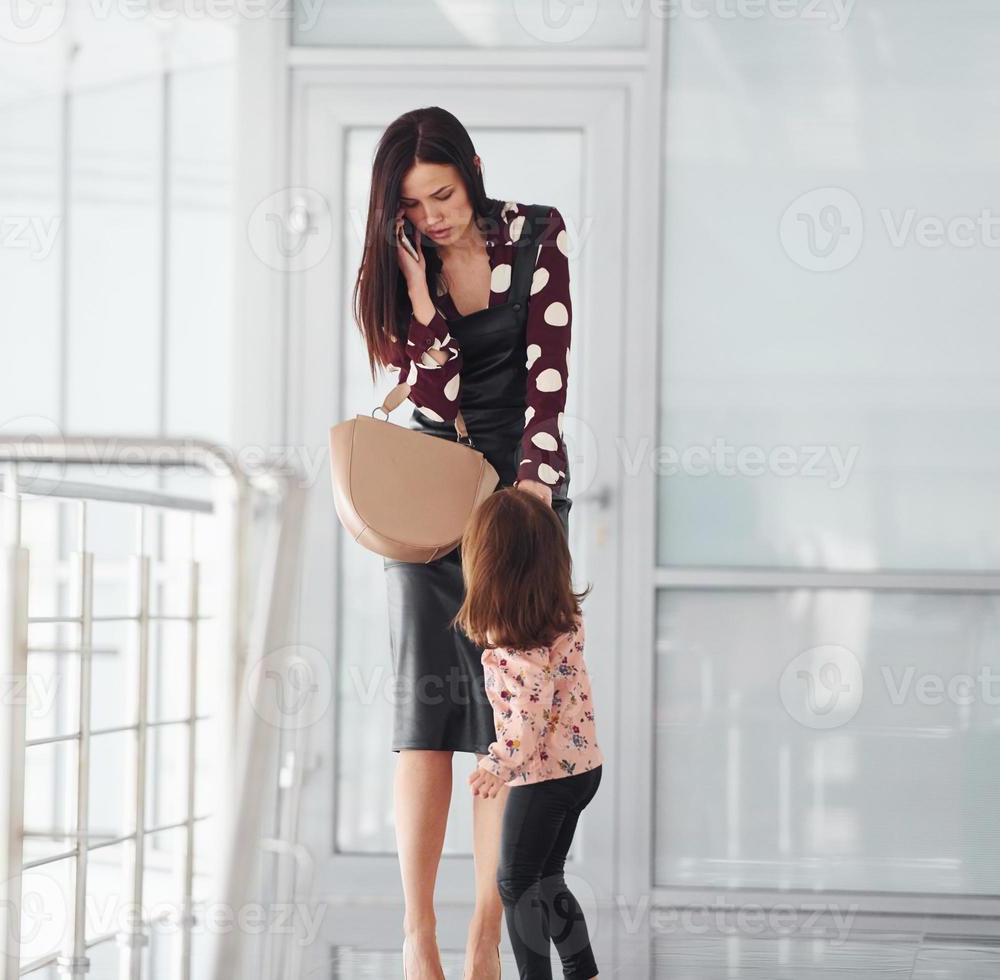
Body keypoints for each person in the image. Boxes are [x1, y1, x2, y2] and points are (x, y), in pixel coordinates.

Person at [350, 105, 576, 980]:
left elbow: (547, 387)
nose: (433, 216)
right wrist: (417, 295)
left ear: (473, 171)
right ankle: (418, 937)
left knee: (505, 733)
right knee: (427, 719)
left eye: (442, 195)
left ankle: (486, 934)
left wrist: (527, 500)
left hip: (518, 504)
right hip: (428, 499)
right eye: (413, 206)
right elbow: (433, 402)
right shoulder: (401, 264)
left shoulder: (538, 237)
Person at [454, 487, 602, 980]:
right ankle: (583, 971)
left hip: (543, 777)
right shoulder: (562, 621)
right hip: (581, 771)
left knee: (516, 882)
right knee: (547, 877)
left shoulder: (518, 649)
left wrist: (498, 763)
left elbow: (528, 718)